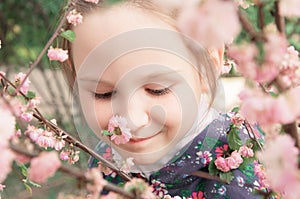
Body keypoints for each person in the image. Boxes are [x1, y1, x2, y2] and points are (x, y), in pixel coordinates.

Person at [61, 0, 265, 198]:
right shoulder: (105, 160)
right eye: (103, 93)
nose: (131, 121)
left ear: (207, 67)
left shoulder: (242, 182)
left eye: (157, 90)